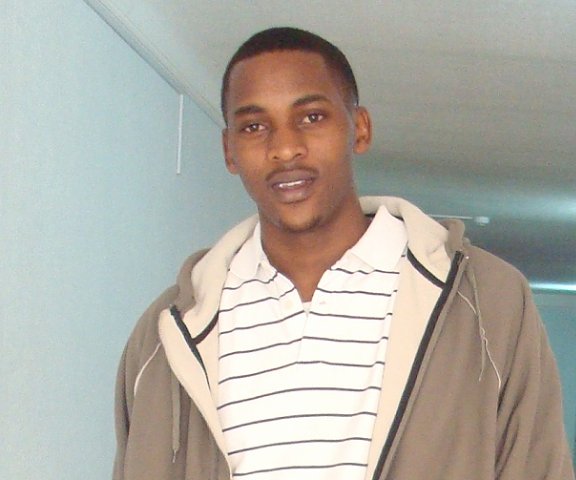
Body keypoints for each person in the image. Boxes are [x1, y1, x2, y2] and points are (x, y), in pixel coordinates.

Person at [113, 27, 574, 480]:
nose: (285, 148)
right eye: (254, 127)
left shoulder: (487, 302)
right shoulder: (163, 337)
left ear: (360, 129)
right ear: (229, 151)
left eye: (311, 117)